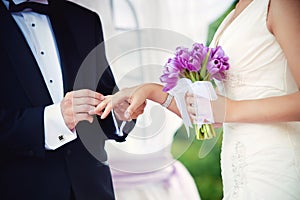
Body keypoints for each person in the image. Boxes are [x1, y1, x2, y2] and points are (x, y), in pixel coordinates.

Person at [94, 0, 300, 199]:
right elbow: (213, 111)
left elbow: (228, 109)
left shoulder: (282, 4)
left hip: (276, 163)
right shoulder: (237, 11)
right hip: (241, 170)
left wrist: (230, 110)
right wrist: (151, 91)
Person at [0, 0, 142, 199]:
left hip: (93, 190)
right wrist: (55, 120)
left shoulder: (84, 19)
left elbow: (105, 95)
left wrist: (120, 115)